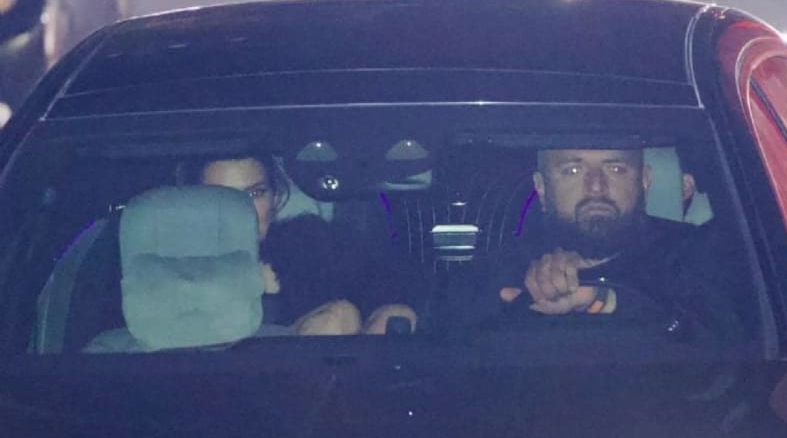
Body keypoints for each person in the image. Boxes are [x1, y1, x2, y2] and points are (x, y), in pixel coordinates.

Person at [477, 147, 742, 343]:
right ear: (542, 187)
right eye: (572, 170)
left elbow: (724, 345)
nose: (596, 187)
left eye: (616, 169)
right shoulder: (509, 267)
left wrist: (602, 301)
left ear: (644, 181)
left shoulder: (695, 252)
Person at [178, 152, 417, 335]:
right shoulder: (172, 268)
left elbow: (389, 298)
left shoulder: (320, 254)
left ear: (275, 198)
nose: (242, 209)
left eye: (254, 194)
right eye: (223, 197)